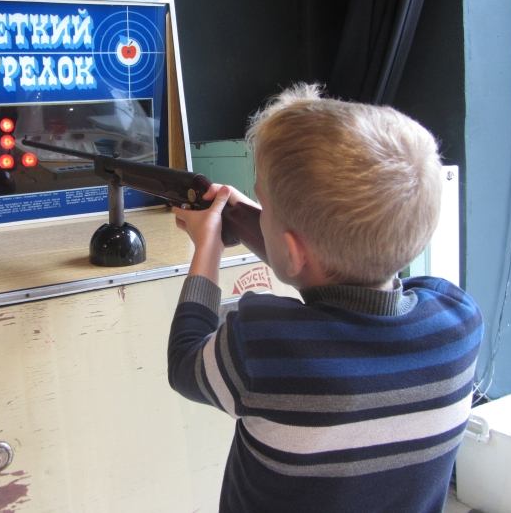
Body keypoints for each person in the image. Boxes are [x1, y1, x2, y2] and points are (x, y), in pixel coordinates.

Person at [169, 84, 483, 513]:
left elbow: (185, 362)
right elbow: (326, 273)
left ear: (294, 251)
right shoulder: (459, 322)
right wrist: (257, 220)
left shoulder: (261, 346)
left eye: (262, 204)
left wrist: (208, 245)